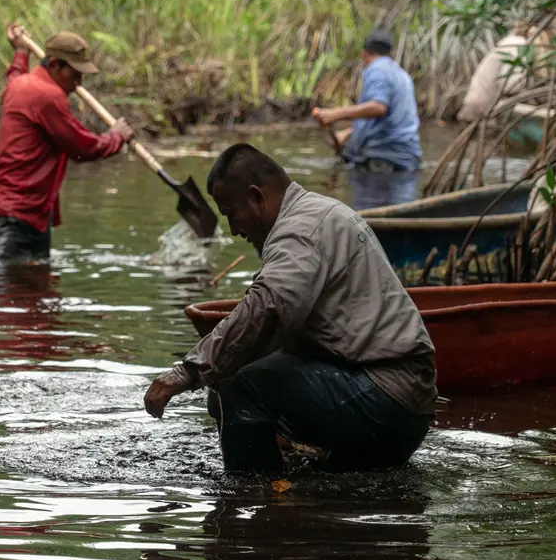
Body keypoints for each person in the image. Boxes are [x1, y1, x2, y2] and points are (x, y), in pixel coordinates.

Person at [143, 144, 437, 474]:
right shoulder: (316, 212)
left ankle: (249, 501)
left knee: (236, 384)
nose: (233, 230)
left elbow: (267, 310)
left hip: (385, 399)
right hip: (398, 396)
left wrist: (189, 371)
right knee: (234, 385)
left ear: (256, 197)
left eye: (230, 213)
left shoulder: (300, 231)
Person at [0, 23, 134, 265]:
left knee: (36, 294)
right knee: (5, 291)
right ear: (54, 65)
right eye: (75, 74)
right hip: (15, 216)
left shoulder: (20, 85)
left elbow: (15, 75)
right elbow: (83, 148)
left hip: (26, 215)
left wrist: (21, 52)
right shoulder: (47, 96)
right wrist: (116, 136)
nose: (78, 83)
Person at [312, 30, 421, 210]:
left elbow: (379, 107)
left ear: (363, 53)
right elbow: (394, 119)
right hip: (405, 160)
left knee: (368, 221)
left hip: (383, 161)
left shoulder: (376, 70)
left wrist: (334, 114)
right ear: (391, 53)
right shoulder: (402, 75)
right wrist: (347, 134)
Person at [457, 23, 534, 122]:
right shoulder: (520, 46)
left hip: (473, 100)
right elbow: (510, 84)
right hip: (486, 106)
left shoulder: (507, 42)